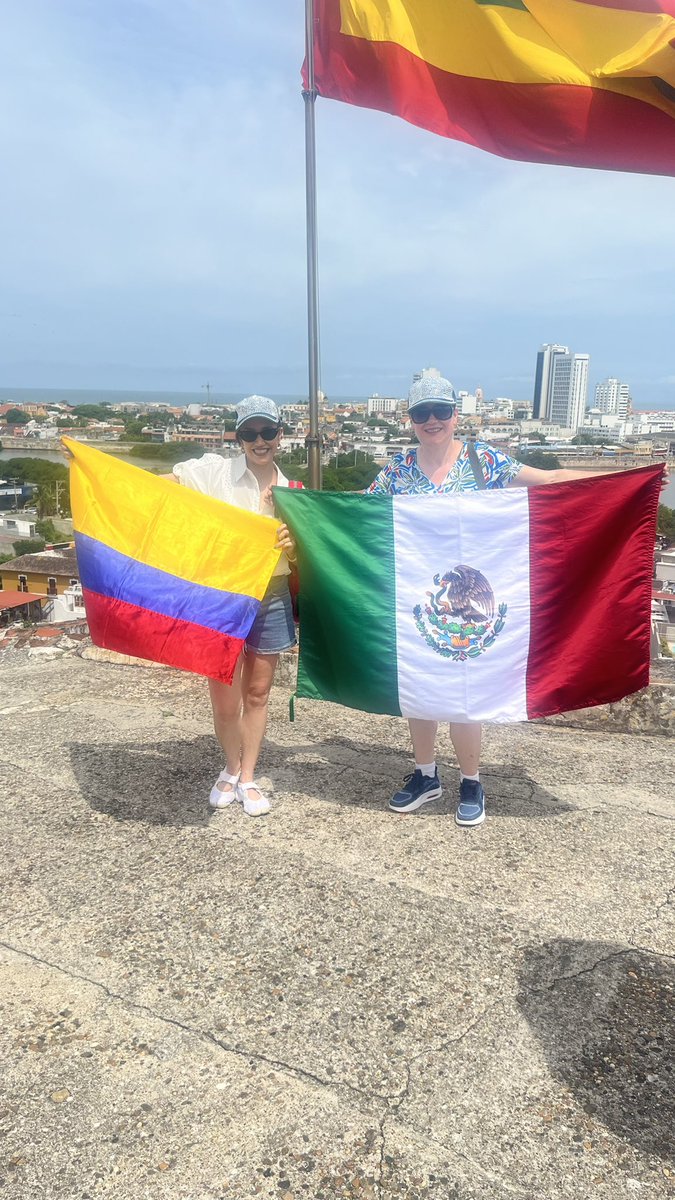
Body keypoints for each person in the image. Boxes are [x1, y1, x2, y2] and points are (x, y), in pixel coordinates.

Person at [366, 373, 663, 828]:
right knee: (422, 688)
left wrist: (635, 478)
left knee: (467, 689)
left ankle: (471, 780)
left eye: (441, 411)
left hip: (478, 598)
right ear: (410, 419)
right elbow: (357, 513)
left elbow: (552, 480)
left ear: (455, 416)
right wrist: (299, 510)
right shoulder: (398, 470)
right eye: (422, 413)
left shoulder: (482, 459)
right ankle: (426, 774)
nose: (432, 420)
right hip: (422, 598)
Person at [168, 396, 297, 817]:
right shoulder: (215, 474)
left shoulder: (293, 492)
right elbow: (159, 487)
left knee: (257, 692)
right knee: (224, 697)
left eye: (267, 432)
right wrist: (95, 468)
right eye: (249, 433)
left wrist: (292, 546)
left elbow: (304, 557)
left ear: (280, 434)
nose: (260, 441)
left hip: (271, 594)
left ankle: (248, 776)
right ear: (238, 437)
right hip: (221, 595)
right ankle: (231, 765)